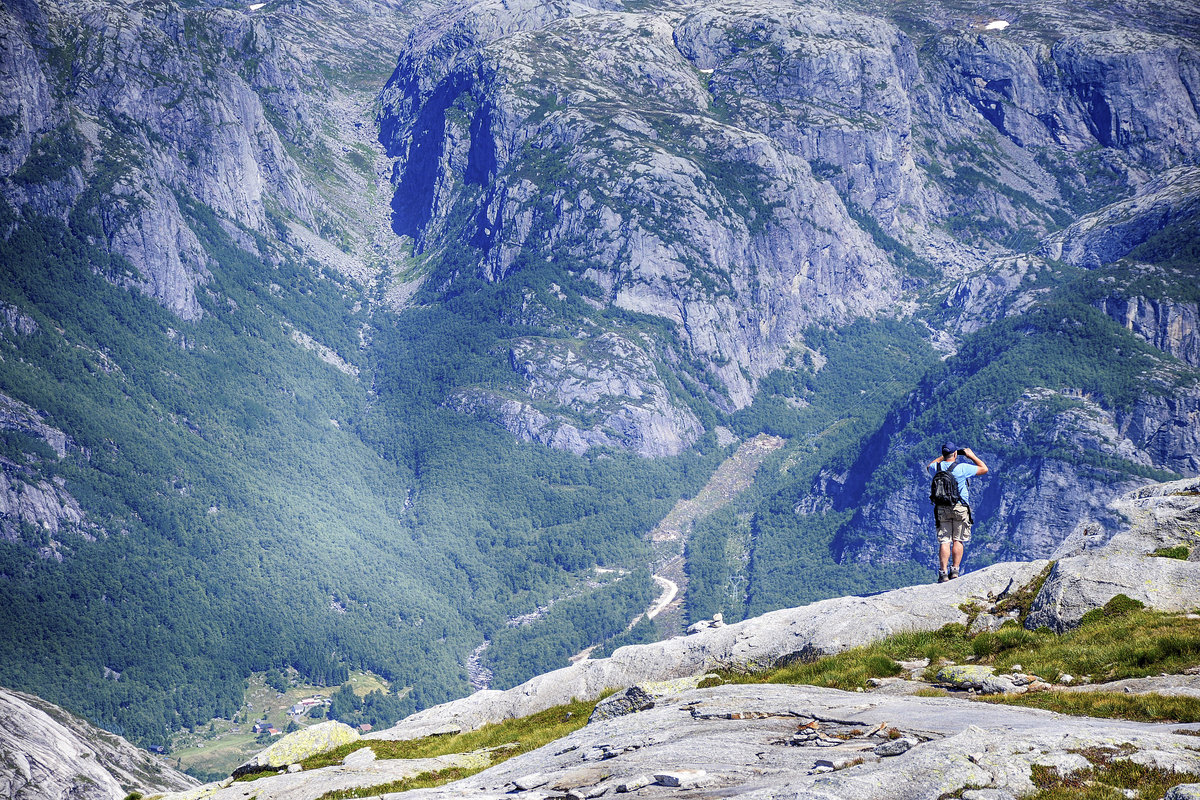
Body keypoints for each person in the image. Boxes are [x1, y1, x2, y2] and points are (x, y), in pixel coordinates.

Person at [927, 443, 988, 583]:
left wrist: (943, 457)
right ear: (955, 454)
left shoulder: (936, 468)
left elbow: (929, 465)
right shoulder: (962, 468)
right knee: (958, 540)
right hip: (960, 507)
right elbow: (984, 469)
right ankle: (954, 570)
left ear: (943, 454)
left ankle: (943, 573)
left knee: (944, 540)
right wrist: (971, 455)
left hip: (941, 508)